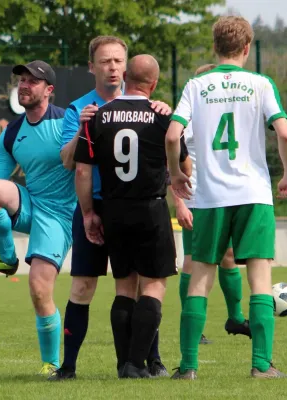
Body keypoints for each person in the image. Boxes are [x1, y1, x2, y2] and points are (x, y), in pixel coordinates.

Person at [167, 16, 287, 379]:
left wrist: (176, 175)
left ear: (214, 48)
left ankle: (188, 367)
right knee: (259, 276)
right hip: (253, 194)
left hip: (208, 196)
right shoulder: (260, 84)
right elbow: (284, 135)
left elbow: (173, 134)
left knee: (199, 277)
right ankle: (260, 366)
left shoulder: (196, 85)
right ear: (246, 48)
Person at [52, 36, 171, 380]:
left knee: (136, 284)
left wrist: (160, 107)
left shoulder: (142, 104)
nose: (113, 67)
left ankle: (153, 359)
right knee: (84, 285)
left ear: (127, 66)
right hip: (93, 205)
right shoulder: (79, 109)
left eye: (119, 61)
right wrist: (82, 130)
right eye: (105, 61)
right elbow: (66, 161)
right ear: (92, 67)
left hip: (127, 205)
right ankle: (69, 366)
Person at [74, 54, 191, 378]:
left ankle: (123, 362)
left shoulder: (98, 116)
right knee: (153, 287)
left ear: (124, 76)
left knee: (124, 287)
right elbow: (183, 163)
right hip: (151, 208)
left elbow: (83, 171)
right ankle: (136, 364)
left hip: (113, 209)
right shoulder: (162, 117)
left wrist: (88, 214)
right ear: (153, 84)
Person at [0, 60, 75, 376]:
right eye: (21, 80)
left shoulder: (68, 122)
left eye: (32, 81)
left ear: (48, 90)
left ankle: (51, 364)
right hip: (31, 204)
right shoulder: (11, 133)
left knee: (39, 290)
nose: (23, 85)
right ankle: (7, 259)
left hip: (61, 216)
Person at [168, 63, 252, 358]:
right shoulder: (188, 115)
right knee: (192, 263)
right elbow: (173, 161)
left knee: (228, 257)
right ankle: (194, 327)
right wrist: (179, 201)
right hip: (196, 198)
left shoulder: (221, 111)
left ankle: (236, 318)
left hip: (221, 195)